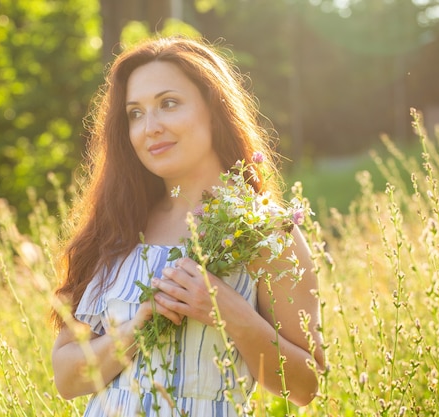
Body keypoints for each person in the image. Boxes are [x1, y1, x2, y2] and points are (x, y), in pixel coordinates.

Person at [51, 36, 324, 416]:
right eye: (135, 113)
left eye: (168, 104)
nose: (151, 127)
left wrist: (231, 313)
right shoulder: (115, 232)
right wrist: (136, 330)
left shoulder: (266, 232)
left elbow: (305, 386)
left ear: (213, 109)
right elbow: (66, 379)